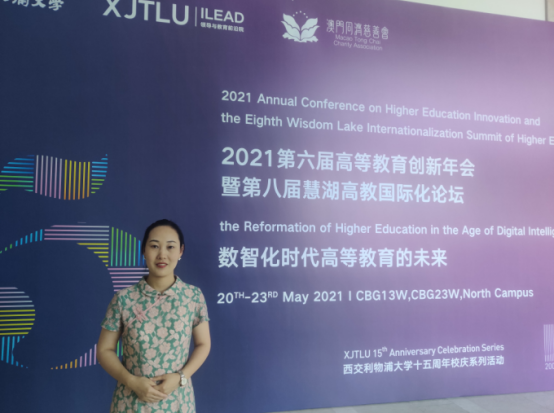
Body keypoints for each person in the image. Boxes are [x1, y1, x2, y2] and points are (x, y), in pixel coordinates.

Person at [97, 219, 211, 413]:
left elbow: (203, 344)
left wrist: (181, 377)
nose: (162, 255)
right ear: (144, 250)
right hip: (131, 402)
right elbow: (104, 350)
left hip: (178, 401)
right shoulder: (123, 299)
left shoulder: (193, 296)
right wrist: (131, 381)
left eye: (170, 247)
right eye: (154, 246)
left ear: (181, 251)